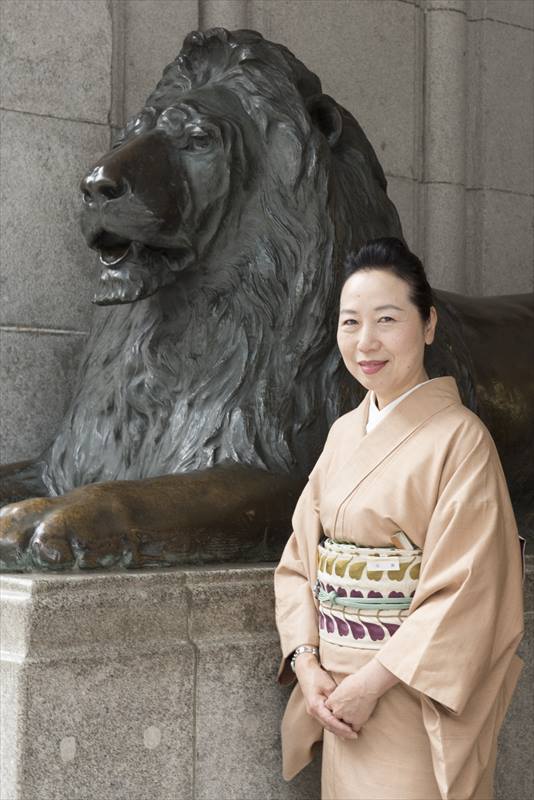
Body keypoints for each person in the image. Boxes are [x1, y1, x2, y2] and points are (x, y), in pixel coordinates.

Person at [274, 237, 524, 800]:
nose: (366, 342)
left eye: (387, 320)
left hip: (407, 695)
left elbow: (469, 592)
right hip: (334, 695)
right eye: (351, 322)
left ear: (428, 324)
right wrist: (308, 665)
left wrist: (370, 685)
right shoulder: (342, 434)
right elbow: (299, 561)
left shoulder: (461, 440)